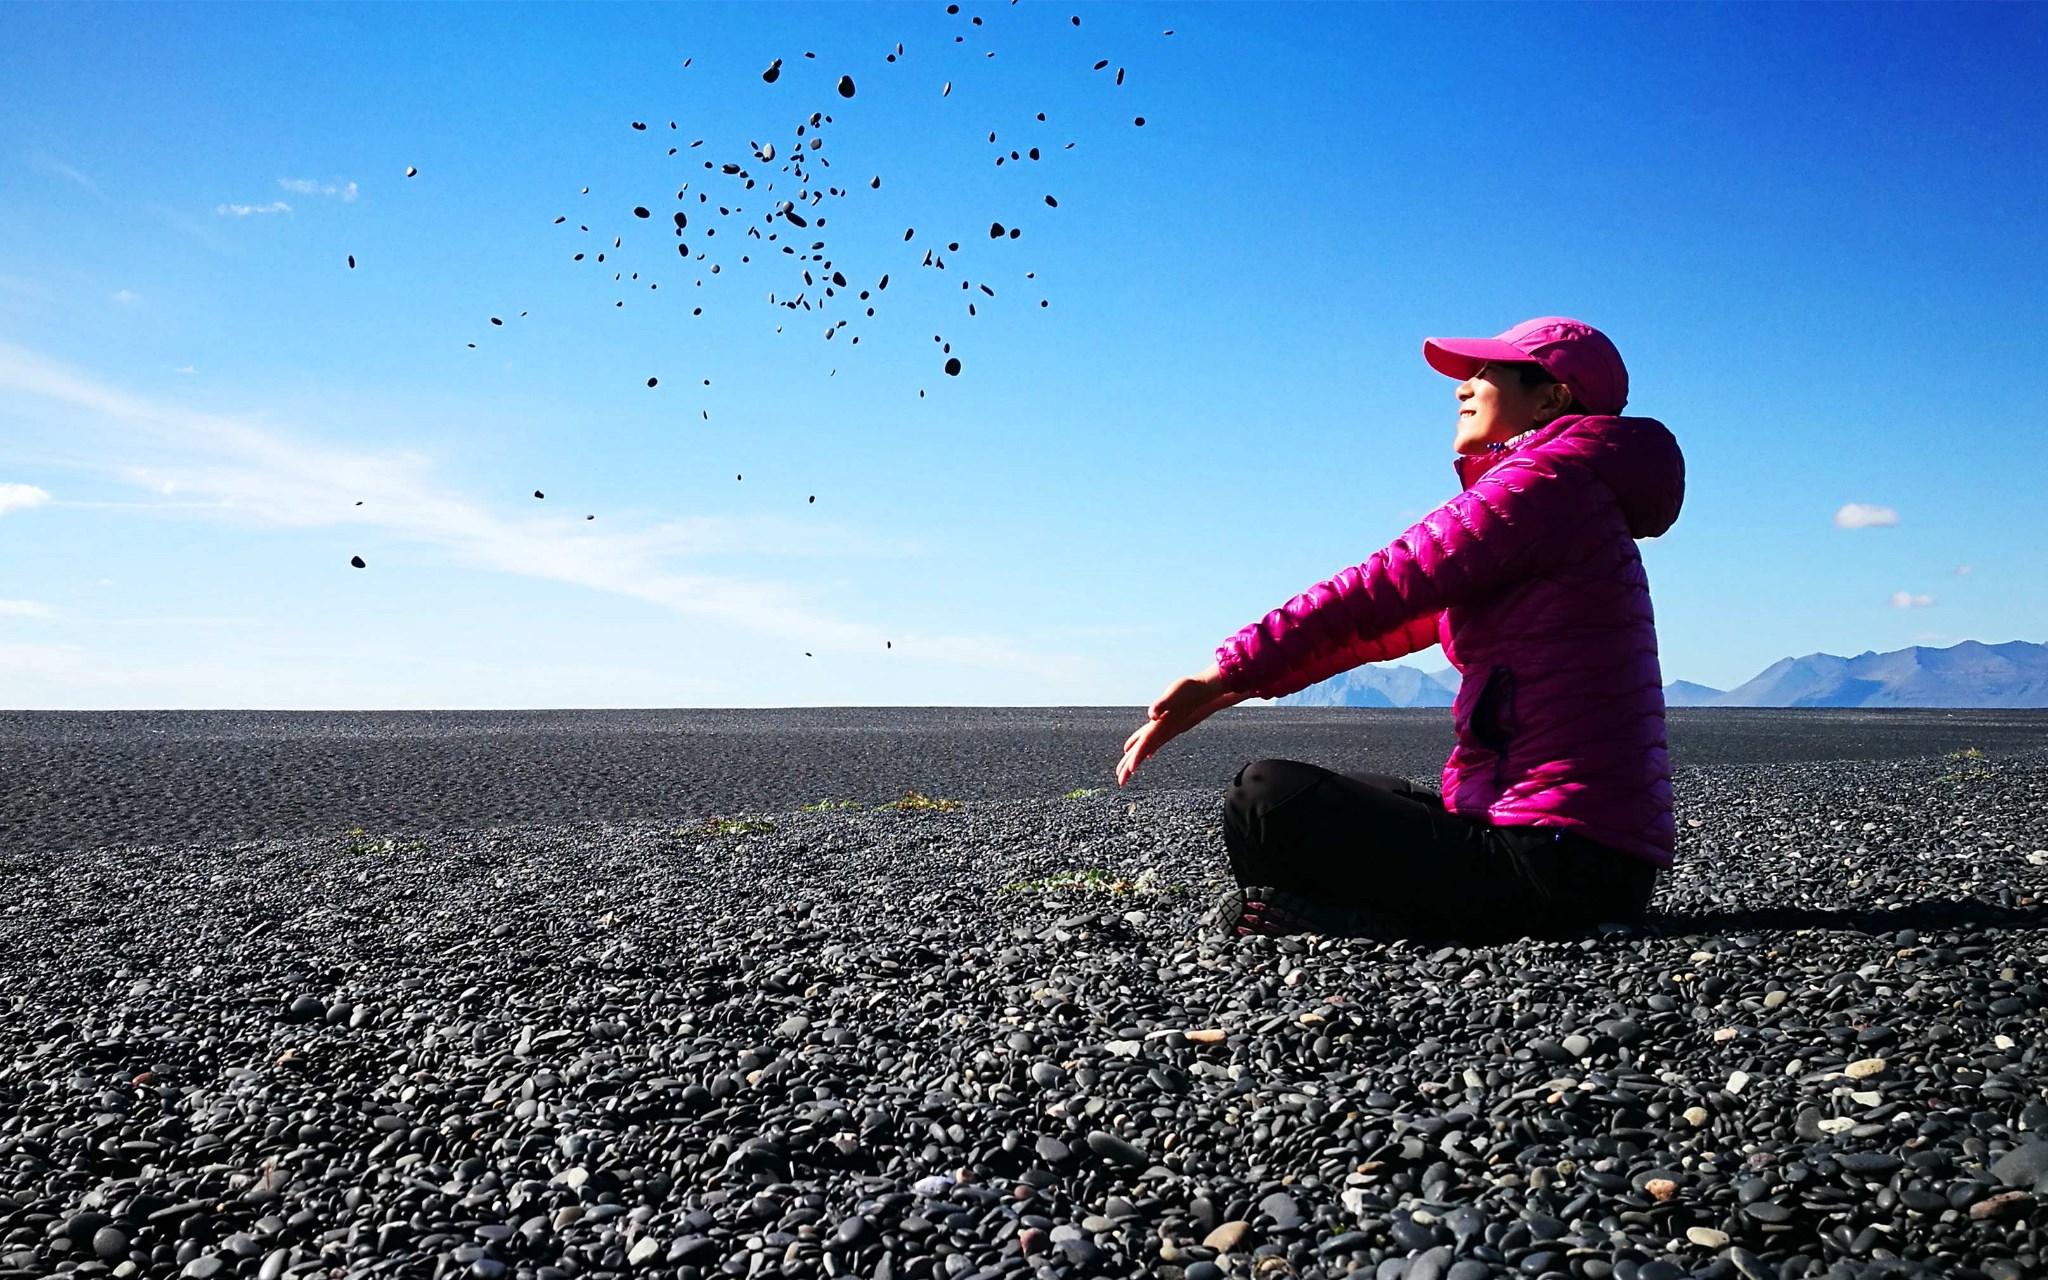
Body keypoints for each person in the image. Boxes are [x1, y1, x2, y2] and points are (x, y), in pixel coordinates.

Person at [1115, 317, 1685, 941]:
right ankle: (1353, 914)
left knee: (1266, 797)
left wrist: (1220, 669)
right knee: (1369, 793)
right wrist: (1231, 690)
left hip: (1556, 862)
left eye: (1483, 373)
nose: (1462, 388)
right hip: (1589, 861)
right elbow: (1388, 626)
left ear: (1553, 397)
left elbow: (1384, 585)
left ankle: (1343, 923)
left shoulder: (1543, 486)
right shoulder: (1570, 496)